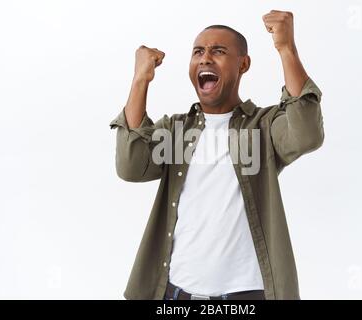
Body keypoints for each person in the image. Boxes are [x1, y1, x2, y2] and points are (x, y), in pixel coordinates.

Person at [109, 10, 324, 300]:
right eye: (198, 51)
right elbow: (131, 166)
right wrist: (140, 81)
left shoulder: (262, 127)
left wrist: (286, 48)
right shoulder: (176, 131)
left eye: (218, 51)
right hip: (175, 294)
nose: (205, 58)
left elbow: (306, 133)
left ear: (243, 64)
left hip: (246, 296)